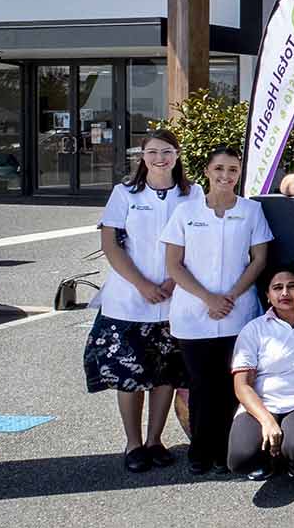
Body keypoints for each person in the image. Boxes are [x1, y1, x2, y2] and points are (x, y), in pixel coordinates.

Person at [86, 129, 197, 473]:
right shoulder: (125, 193)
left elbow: (199, 241)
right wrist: (142, 284)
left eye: (167, 151)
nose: (160, 158)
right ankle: (133, 444)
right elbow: (111, 244)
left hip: (173, 298)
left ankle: (155, 440)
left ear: (177, 156)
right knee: (129, 376)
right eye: (152, 152)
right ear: (143, 156)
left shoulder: (193, 194)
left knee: (165, 373)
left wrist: (171, 281)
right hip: (129, 301)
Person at [162, 146, 273, 475]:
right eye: (220, 169)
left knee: (230, 385)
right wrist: (208, 298)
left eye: (233, 170)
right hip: (193, 315)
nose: (226, 176)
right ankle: (200, 451)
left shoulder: (251, 211)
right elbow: (174, 264)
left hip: (238, 314)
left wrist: (230, 296)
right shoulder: (185, 212)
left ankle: (229, 449)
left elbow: (260, 260)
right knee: (199, 384)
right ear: (207, 172)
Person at [227, 265, 294, 480]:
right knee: (241, 459)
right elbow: (242, 385)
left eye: (292, 286)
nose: (285, 293)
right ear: (267, 295)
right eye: (277, 288)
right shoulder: (254, 329)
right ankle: (268, 459)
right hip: (262, 405)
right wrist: (266, 421)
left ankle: (293, 458)